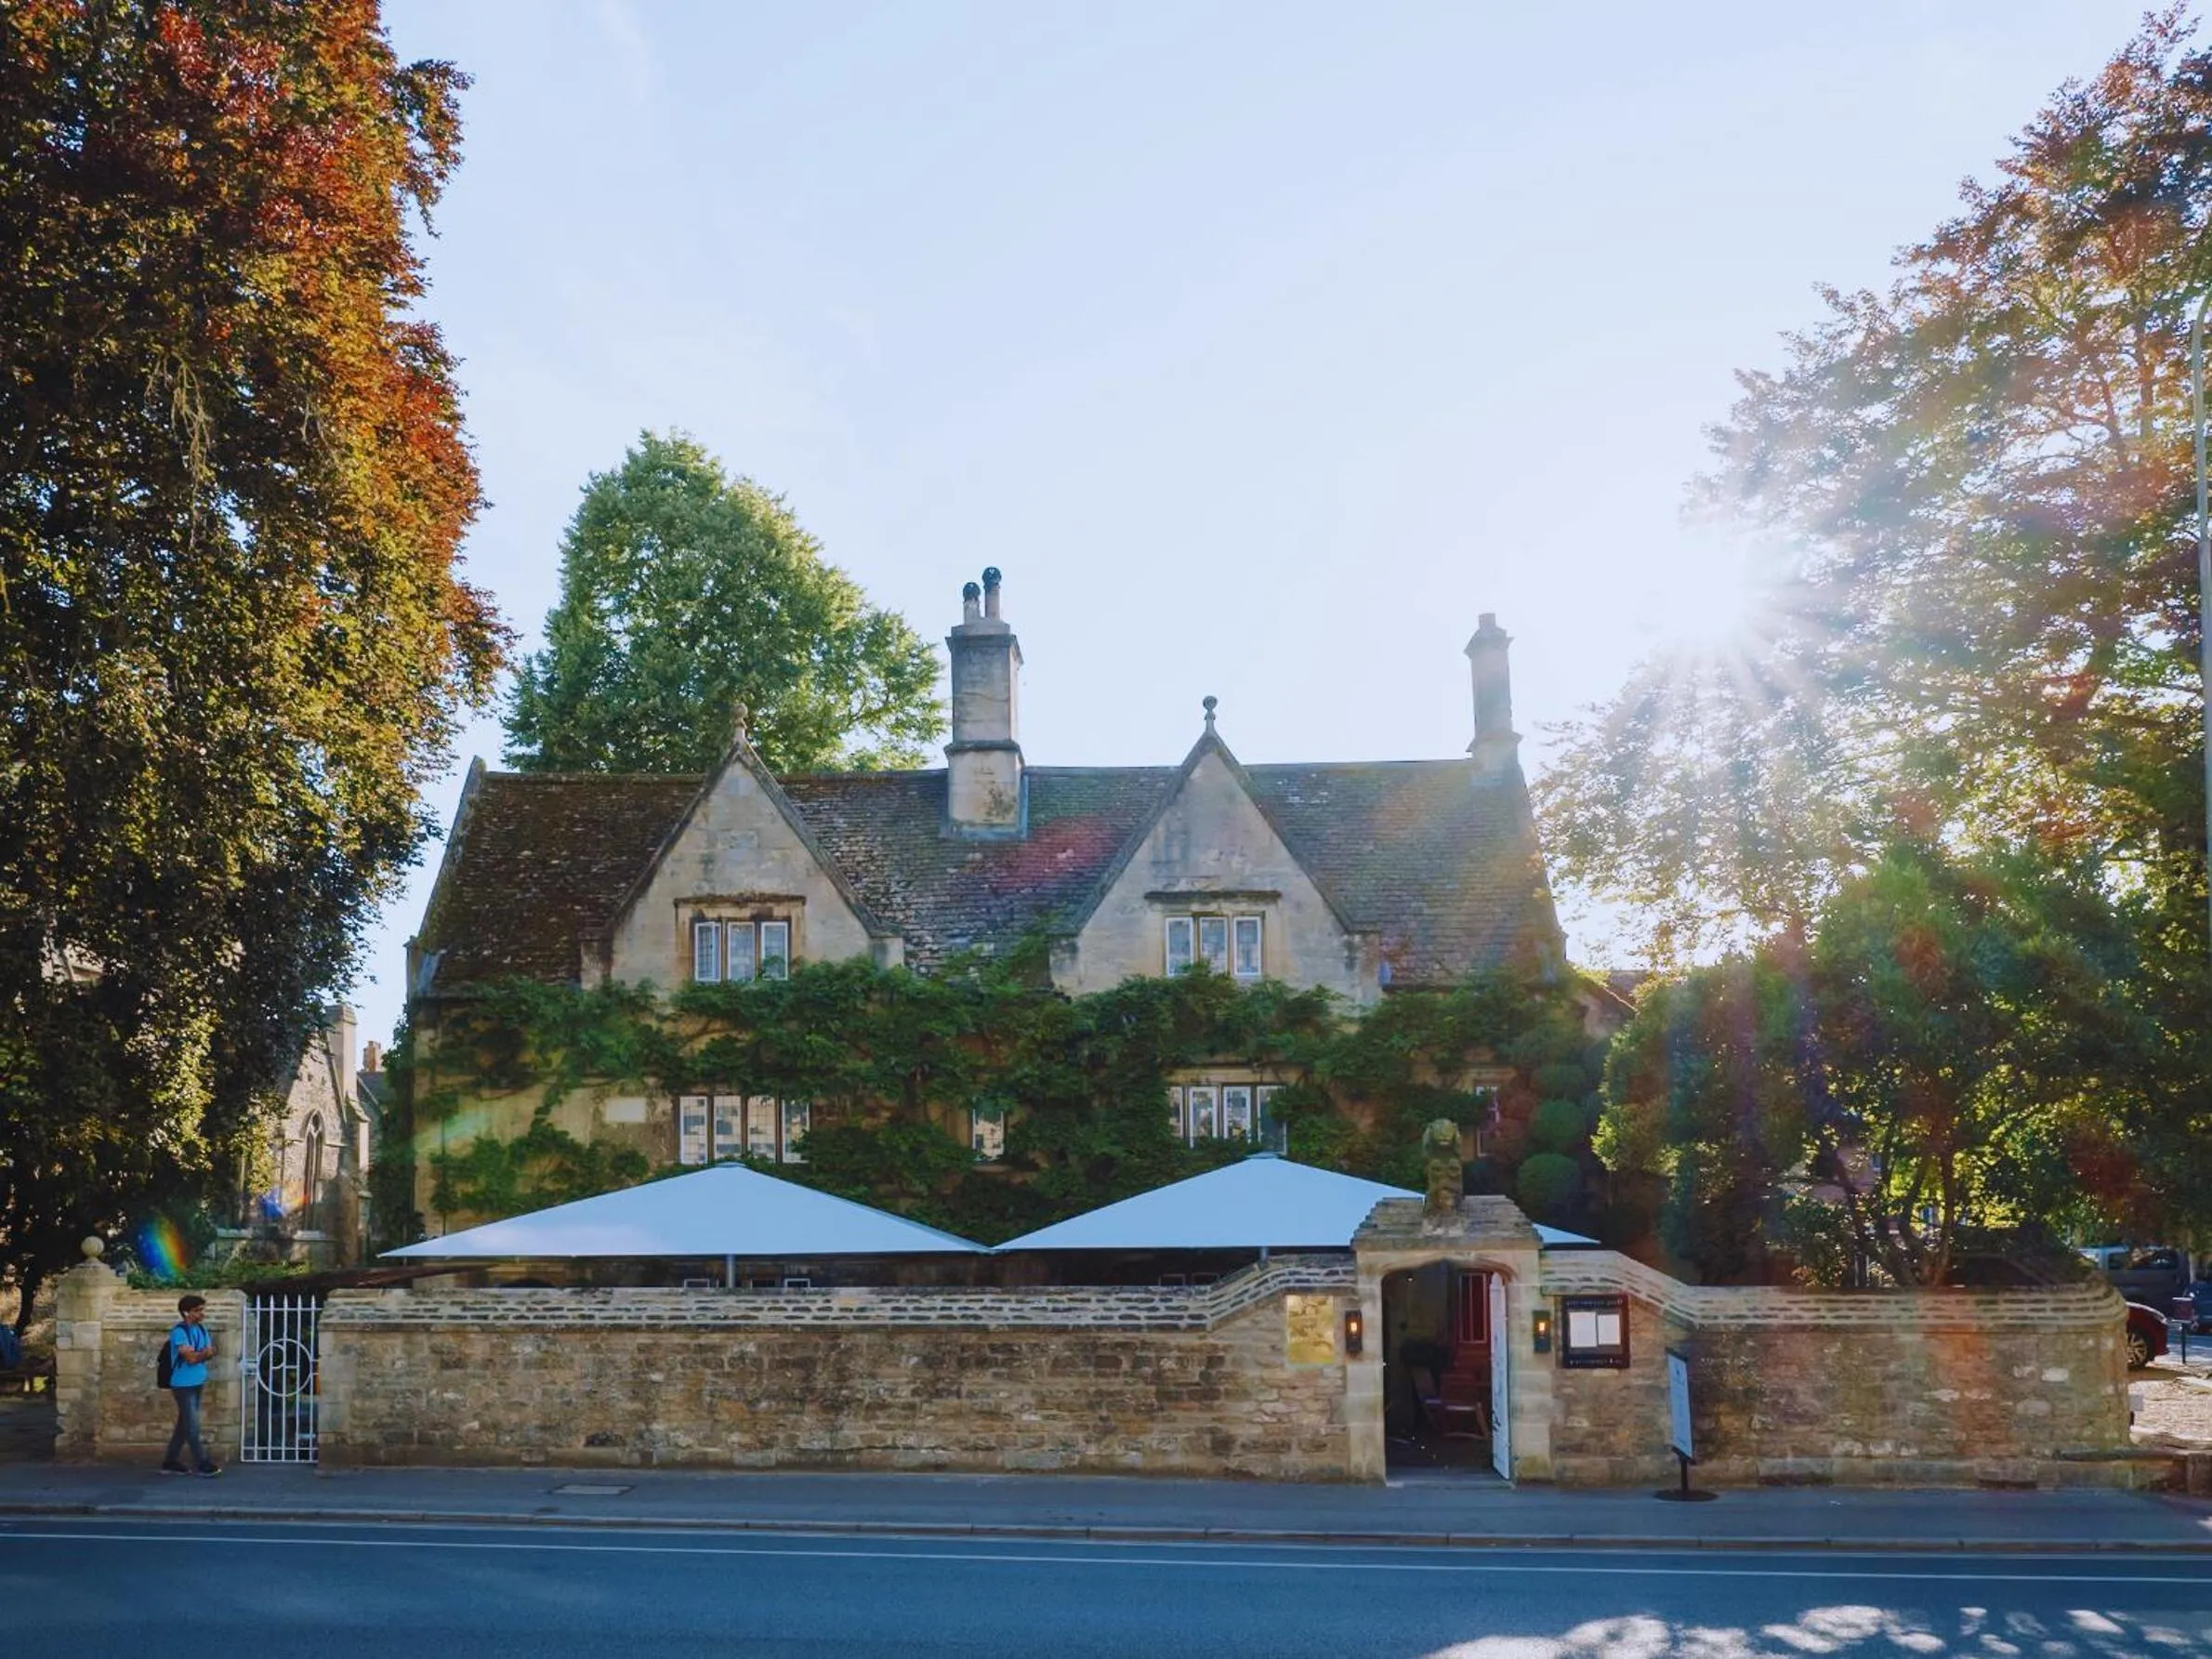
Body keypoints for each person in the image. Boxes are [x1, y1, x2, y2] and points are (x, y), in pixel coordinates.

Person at [161, 1294, 220, 1477]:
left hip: (197, 1382)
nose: (201, 1313)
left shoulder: (202, 1330)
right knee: (192, 1426)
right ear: (186, 1312)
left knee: (184, 1425)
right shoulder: (179, 1332)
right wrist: (202, 1354)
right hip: (183, 1385)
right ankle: (202, 1463)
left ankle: (170, 1461)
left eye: (202, 1309)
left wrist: (200, 1354)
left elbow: (208, 1353)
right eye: (197, 1310)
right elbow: (191, 1358)